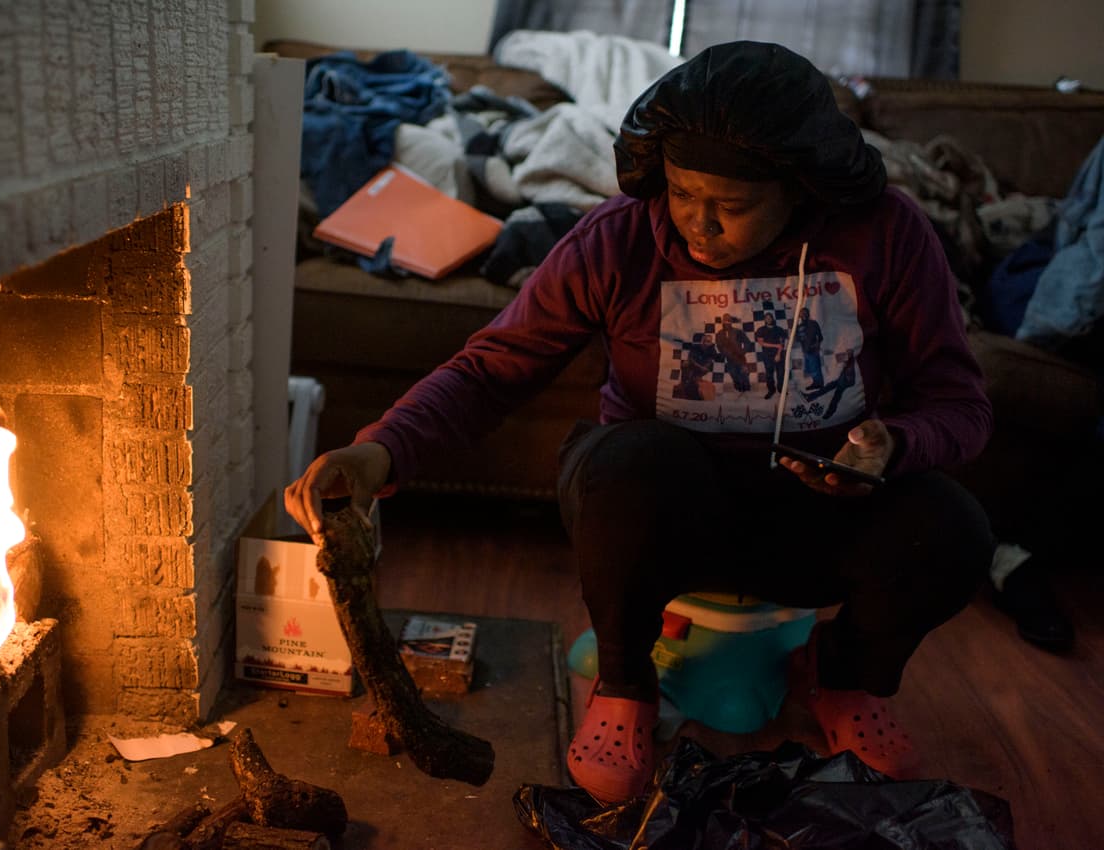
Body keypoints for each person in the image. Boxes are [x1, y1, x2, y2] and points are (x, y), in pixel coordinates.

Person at [285, 41, 994, 804]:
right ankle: (625, 687)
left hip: (821, 508)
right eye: (684, 192)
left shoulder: (888, 235)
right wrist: (379, 451)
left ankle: (844, 674)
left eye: (733, 204)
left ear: (799, 188)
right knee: (631, 464)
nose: (699, 221)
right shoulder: (616, 238)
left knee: (953, 529)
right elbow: (492, 369)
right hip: (660, 509)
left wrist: (895, 446)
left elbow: (960, 402)